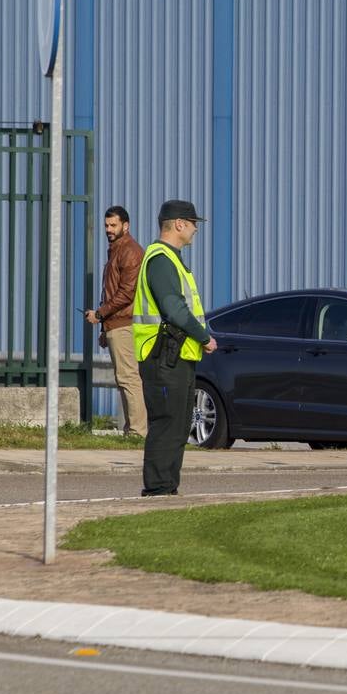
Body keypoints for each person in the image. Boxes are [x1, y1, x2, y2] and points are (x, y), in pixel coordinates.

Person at [132, 200, 217, 497]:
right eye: (193, 223)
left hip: (176, 355)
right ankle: (157, 489)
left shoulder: (171, 259)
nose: (195, 229)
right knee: (168, 422)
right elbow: (174, 309)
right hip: (162, 355)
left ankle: (167, 488)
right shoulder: (161, 260)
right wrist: (204, 336)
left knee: (179, 424)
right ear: (178, 224)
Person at [84, 206, 146, 436]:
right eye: (106, 225)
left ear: (125, 226)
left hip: (124, 324)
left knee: (128, 378)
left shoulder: (129, 251)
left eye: (113, 225)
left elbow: (126, 293)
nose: (109, 230)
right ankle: (133, 430)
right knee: (124, 378)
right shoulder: (117, 250)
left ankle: (138, 432)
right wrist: (104, 326)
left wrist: (100, 314)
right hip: (115, 323)